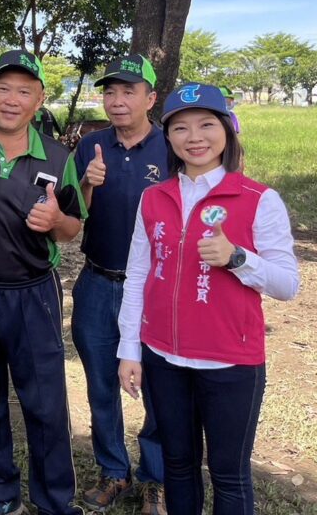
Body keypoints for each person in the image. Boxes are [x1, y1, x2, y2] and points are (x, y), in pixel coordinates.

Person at [118, 84, 299, 515]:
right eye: (180, 127)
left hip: (231, 363)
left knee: (229, 473)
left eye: (206, 125)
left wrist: (237, 258)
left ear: (227, 131)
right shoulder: (153, 198)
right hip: (164, 357)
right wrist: (130, 350)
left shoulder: (259, 200)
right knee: (178, 465)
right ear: (169, 138)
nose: (194, 137)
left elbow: (287, 285)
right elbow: (139, 274)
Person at [0, 49, 86, 515]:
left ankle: (53, 501)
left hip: (33, 295)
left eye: (24, 91)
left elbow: (73, 229)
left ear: (39, 98)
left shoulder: (57, 155)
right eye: (3, 87)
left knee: (45, 404)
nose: (12, 99)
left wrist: (55, 220)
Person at [72, 55, 167, 514]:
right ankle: (114, 472)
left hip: (156, 290)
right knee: (100, 384)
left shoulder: (172, 149)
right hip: (97, 281)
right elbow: (69, 217)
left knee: (160, 386)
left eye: (129, 91)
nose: (118, 101)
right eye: (110, 91)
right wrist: (87, 185)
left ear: (151, 97)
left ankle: (157, 479)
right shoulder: (90, 147)